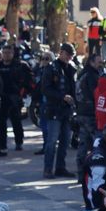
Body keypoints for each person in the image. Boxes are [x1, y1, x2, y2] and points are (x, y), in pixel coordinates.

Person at [39, 43, 79, 178]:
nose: (69, 58)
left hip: (67, 111)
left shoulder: (72, 68)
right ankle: (48, 169)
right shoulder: (51, 69)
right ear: (61, 53)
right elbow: (45, 89)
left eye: (71, 55)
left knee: (65, 141)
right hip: (54, 110)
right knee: (52, 141)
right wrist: (62, 97)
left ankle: (60, 168)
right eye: (67, 54)